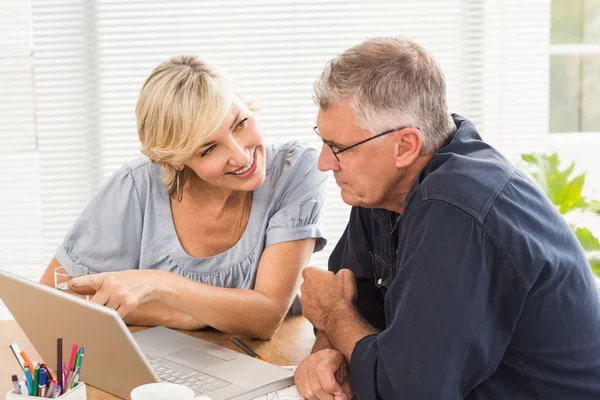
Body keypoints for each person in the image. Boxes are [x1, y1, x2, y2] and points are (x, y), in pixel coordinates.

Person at [295, 36, 600, 399]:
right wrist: (326, 358)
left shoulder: (456, 210)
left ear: (405, 146)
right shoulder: (379, 190)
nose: (324, 162)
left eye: (338, 148)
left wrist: (333, 317)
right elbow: (349, 302)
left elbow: (409, 389)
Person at [39, 55, 327, 340]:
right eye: (209, 149)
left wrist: (159, 285)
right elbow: (53, 298)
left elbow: (266, 317)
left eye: (240, 124)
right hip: (166, 364)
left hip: (270, 360)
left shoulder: (296, 169)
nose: (241, 156)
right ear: (176, 159)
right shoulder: (136, 186)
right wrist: (174, 313)